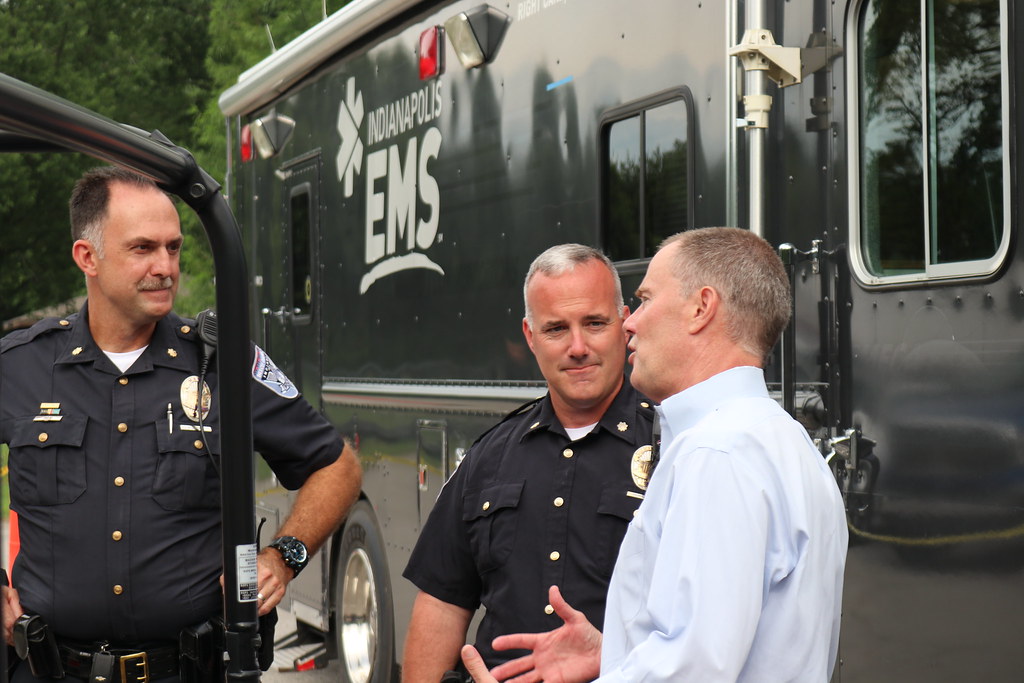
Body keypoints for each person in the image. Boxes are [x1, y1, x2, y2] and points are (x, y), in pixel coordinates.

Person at [0, 166, 362, 683]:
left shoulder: (224, 362)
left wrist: (283, 557)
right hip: (48, 669)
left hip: (188, 669)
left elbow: (337, 467)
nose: (165, 267)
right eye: (143, 248)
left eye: (173, 248)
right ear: (87, 257)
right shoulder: (21, 365)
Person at [461, 227, 848, 682]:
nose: (629, 323)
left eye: (645, 300)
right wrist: (614, 654)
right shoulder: (786, 441)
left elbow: (693, 668)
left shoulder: (716, 453)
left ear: (701, 308)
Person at [400, 244, 655, 682]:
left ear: (624, 323)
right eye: (556, 329)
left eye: (594, 323)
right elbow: (442, 603)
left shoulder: (672, 448)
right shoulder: (488, 457)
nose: (578, 347)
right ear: (530, 336)